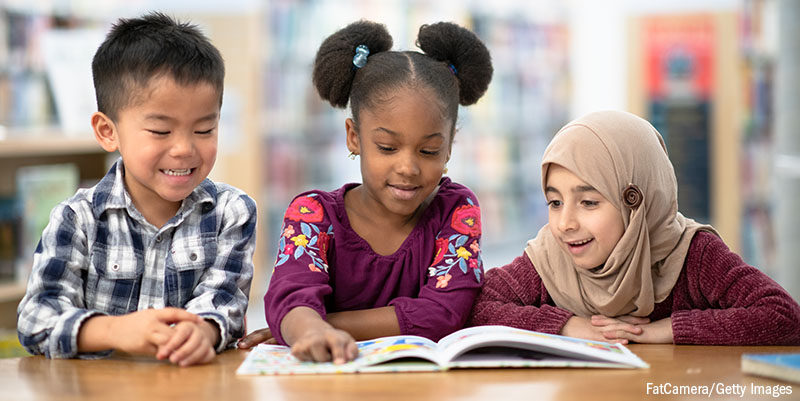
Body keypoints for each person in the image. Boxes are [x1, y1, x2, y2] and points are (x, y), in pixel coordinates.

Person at [237, 20, 493, 363]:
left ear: (449, 147)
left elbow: (443, 315)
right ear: (354, 137)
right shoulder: (312, 215)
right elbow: (291, 297)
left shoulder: (456, 209)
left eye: (429, 151)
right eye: (387, 147)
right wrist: (304, 325)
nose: (408, 168)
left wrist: (319, 324)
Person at [16, 12, 257, 366]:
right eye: (161, 131)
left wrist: (202, 331)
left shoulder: (231, 212)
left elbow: (224, 304)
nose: (184, 149)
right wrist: (115, 331)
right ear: (106, 131)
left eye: (204, 130)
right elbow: (36, 318)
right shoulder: (77, 218)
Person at [468, 110, 800, 345]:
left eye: (589, 202)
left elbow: (783, 317)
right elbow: (476, 308)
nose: (565, 224)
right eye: (555, 203)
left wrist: (665, 329)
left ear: (636, 205)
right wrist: (570, 325)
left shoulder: (692, 255)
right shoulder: (550, 258)